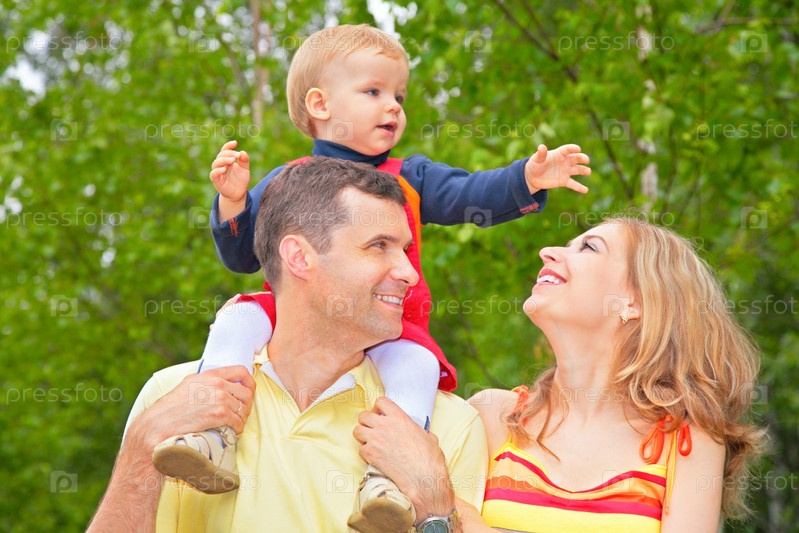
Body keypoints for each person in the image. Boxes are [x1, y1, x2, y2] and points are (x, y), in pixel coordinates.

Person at [153, 22, 591, 525]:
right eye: (374, 92)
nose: (394, 107)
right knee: (236, 318)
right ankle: (210, 433)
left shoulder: (411, 176)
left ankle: (387, 482)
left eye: (399, 96)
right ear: (320, 105)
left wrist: (525, 179)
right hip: (297, 313)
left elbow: (469, 194)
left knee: (418, 369)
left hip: (394, 324)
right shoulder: (289, 181)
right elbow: (242, 258)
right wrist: (233, 204)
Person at [89, 157, 487, 532]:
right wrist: (142, 446)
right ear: (299, 257)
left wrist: (436, 513)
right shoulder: (171, 396)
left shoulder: (451, 426)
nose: (409, 273)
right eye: (379, 245)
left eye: (406, 250)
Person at [360, 217, 766, 533]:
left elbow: (442, 514)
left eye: (589, 247)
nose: (547, 252)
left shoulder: (687, 439)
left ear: (635, 301)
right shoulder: (492, 416)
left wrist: (451, 510)